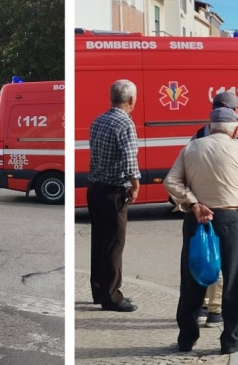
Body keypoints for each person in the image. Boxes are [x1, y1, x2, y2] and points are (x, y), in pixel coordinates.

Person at [164, 107, 238, 355]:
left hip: (198, 218)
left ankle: (187, 337)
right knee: (235, 279)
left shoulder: (191, 147)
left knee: (192, 278)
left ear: (210, 126)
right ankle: (231, 338)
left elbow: (170, 182)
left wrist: (194, 202)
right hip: (232, 217)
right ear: (235, 129)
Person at [190, 92, 238, 328]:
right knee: (218, 260)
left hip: (198, 208)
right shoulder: (234, 141)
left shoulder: (197, 137)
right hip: (223, 209)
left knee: (202, 257)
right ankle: (215, 310)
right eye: (237, 109)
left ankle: (202, 305)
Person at [87, 79, 141, 313]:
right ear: (131, 100)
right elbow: (130, 159)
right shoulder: (125, 123)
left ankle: (99, 290)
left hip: (95, 188)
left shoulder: (97, 121)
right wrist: (135, 184)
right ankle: (112, 297)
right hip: (113, 192)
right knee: (114, 244)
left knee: (99, 241)